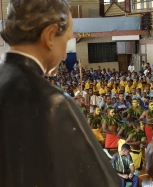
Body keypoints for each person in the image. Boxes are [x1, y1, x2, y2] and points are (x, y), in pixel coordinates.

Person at [0, 0, 120, 186]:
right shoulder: (51, 101)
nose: (65, 53)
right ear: (49, 35)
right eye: (66, 39)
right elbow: (103, 181)